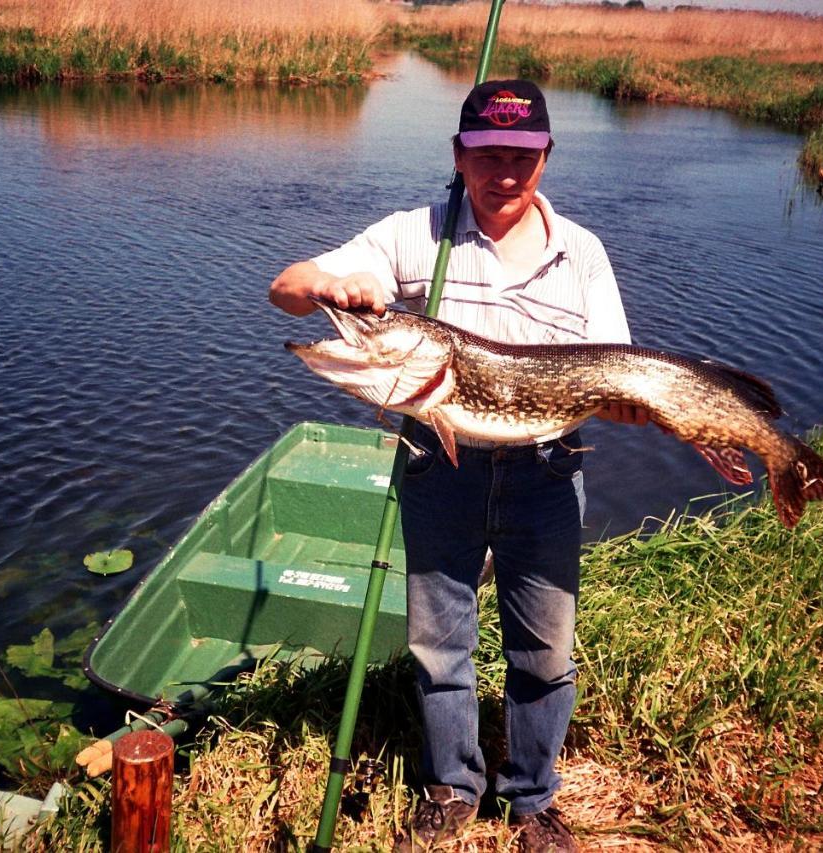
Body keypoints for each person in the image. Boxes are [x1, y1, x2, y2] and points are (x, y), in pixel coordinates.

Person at [269, 79, 646, 852]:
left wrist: (627, 401)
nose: (504, 172)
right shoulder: (418, 234)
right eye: (486, 155)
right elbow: (287, 287)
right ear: (458, 155)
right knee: (440, 642)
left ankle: (533, 797)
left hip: (546, 468)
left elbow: (617, 366)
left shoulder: (584, 254)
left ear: (544, 156)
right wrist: (336, 286)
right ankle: (453, 784)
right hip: (440, 468)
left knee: (543, 649)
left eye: (521, 155)